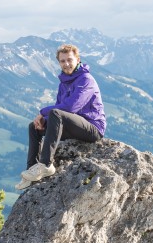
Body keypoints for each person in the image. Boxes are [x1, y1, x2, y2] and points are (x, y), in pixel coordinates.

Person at [16, 43, 106, 190]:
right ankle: (31, 172)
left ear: (78, 59)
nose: (66, 64)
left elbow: (70, 108)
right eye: (63, 61)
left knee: (54, 113)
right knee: (34, 126)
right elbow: (60, 112)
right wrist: (43, 121)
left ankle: (45, 164)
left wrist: (42, 112)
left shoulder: (86, 80)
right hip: (75, 126)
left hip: (92, 128)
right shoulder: (64, 83)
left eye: (70, 60)